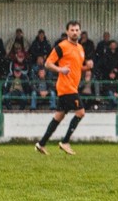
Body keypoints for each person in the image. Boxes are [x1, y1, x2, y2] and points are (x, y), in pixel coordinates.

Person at [35, 21, 93, 155]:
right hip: (66, 87)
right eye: (72, 30)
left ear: (80, 31)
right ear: (67, 32)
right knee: (81, 112)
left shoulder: (80, 48)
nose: (74, 32)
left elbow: (77, 68)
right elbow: (48, 64)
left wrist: (87, 67)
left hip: (72, 86)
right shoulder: (61, 47)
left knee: (59, 116)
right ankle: (65, 142)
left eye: (77, 30)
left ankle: (41, 144)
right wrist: (60, 69)